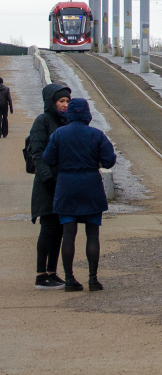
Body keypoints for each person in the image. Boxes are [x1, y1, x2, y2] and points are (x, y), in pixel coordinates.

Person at [42, 97, 116, 292]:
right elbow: (109, 160)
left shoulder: (59, 134)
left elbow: (48, 158)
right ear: (87, 113)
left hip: (66, 186)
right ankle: (93, 279)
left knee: (68, 234)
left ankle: (69, 279)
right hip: (91, 186)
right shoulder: (96, 134)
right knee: (92, 234)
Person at [26, 83, 71, 288]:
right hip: (46, 185)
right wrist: (48, 179)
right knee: (48, 228)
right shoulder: (42, 121)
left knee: (60, 229)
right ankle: (40, 274)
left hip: (62, 184)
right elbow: (37, 154)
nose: (64, 105)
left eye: (67, 101)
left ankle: (52, 272)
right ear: (51, 102)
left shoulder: (67, 122)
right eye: (61, 101)